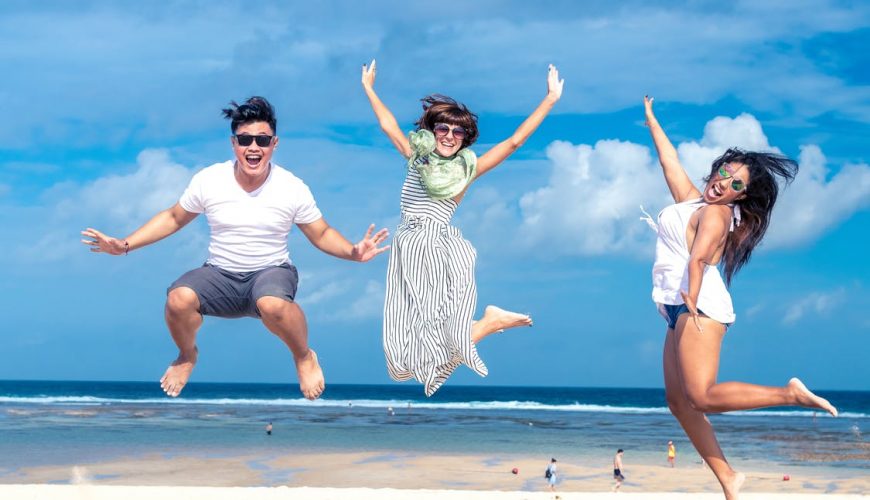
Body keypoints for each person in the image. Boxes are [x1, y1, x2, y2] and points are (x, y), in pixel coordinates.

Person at [81, 97, 389, 401]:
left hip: (271, 273)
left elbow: (320, 233)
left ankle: (303, 356)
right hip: (219, 275)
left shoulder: (292, 187)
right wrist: (124, 245)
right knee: (178, 299)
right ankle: (187, 355)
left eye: (262, 140)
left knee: (272, 304)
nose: (253, 147)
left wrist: (353, 252)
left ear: (274, 144)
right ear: (234, 144)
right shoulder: (210, 180)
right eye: (245, 140)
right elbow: (174, 218)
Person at [642, 96, 838, 500]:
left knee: (702, 396)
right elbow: (669, 163)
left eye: (736, 185)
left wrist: (691, 299)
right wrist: (652, 121)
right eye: (725, 173)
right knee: (679, 402)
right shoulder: (695, 201)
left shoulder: (716, 214)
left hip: (699, 305)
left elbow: (698, 260)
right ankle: (729, 478)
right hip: (678, 306)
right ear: (717, 168)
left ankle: (789, 394)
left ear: (741, 197)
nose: (724, 184)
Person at [361, 60, 563, 396]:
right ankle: (487, 323)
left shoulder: (466, 171)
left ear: (465, 138)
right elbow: (387, 125)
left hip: (435, 246)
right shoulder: (417, 156)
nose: (450, 136)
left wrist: (550, 100)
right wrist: (369, 88)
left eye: (458, 132)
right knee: (402, 355)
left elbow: (513, 142)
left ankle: (488, 323)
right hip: (408, 245)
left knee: (427, 343)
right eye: (443, 129)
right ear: (432, 131)